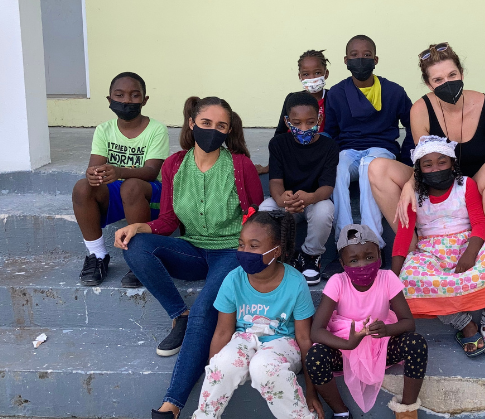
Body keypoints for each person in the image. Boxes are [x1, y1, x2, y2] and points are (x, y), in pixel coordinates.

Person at [114, 96, 264, 419]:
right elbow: (167, 221)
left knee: (204, 313)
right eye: (206, 123)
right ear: (192, 124)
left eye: (221, 126)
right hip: (192, 248)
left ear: (228, 130)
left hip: (231, 251)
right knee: (136, 246)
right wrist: (139, 226)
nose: (213, 130)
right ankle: (176, 314)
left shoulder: (240, 165)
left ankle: (172, 405)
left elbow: (256, 218)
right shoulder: (173, 165)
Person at [368, 43, 485, 248]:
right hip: (435, 183)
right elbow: (423, 160)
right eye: (438, 79)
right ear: (429, 84)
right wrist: (410, 184)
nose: (447, 83)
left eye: (452, 75)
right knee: (377, 168)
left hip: (475, 184)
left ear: (461, 74)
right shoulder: (421, 109)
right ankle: (412, 252)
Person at [392, 136, 485, 359]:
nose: (435, 169)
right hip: (431, 251)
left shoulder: (465, 185)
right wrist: (392, 278)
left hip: (467, 243)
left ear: (453, 164)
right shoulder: (414, 195)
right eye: (428, 164)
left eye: (442, 162)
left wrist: (470, 255)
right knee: (410, 277)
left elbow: (480, 223)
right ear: (419, 169)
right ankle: (464, 324)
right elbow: (404, 235)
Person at [190, 210, 322, 419]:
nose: (244, 251)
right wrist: (214, 372)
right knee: (223, 363)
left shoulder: (296, 282)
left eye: (253, 246)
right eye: (241, 244)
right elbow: (223, 332)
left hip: (283, 342)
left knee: (263, 367)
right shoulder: (233, 280)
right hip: (243, 340)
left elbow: (304, 338)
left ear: (276, 251)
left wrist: (312, 390)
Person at [306, 224, 426, 419]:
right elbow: (316, 331)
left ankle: (408, 410)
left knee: (417, 344)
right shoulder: (338, 282)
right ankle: (341, 412)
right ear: (343, 264)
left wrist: (387, 329)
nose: (362, 265)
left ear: (379, 255)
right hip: (345, 350)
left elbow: (408, 322)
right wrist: (347, 343)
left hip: (381, 347)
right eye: (353, 260)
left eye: (369, 257)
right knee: (315, 357)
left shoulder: (387, 278)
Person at [72, 72, 169, 288]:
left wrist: (120, 171)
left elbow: (152, 171)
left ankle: (140, 258)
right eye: (120, 95)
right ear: (109, 100)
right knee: (82, 188)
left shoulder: (156, 129)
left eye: (135, 95)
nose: (126, 100)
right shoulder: (104, 129)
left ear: (145, 100)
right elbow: (94, 167)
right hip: (119, 192)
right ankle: (97, 256)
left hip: (148, 193)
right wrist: (92, 174)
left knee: (131, 186)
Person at [323, 35, 414, 244]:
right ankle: (344, 238)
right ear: (346, 61)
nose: (361, 60)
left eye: (367, 55)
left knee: (368, 166)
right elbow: (331, 132)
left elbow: (412, 124)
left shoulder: (393, 91)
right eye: (354, 55)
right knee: (337, 166)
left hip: (382, 150)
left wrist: (407, 157)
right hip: (348, 150)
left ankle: (372, 239)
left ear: (376, 60)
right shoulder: (336, 93)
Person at [260, 92, 339, 285]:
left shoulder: (329, 146)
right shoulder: (278, 144)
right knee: (265, 209)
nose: (303, 128)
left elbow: (327, 188)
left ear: (319, 119)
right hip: (288, 202)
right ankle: (281, 254)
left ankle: (310, 256)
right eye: (296, 123)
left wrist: (309, 198)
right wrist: (281, 199)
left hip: (314, 200)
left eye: (310, 122)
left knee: (325, 209)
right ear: (287, 122)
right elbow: (276, 182)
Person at [257, 50, 331, 175]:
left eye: (317, 73)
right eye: (306, 74)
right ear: (300, 76)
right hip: (295, 145)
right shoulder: (292, 98)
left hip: (319, 147)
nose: (312, 78)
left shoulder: (332, 97)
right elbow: (280, 130)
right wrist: (270, 165)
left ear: (326, 74)